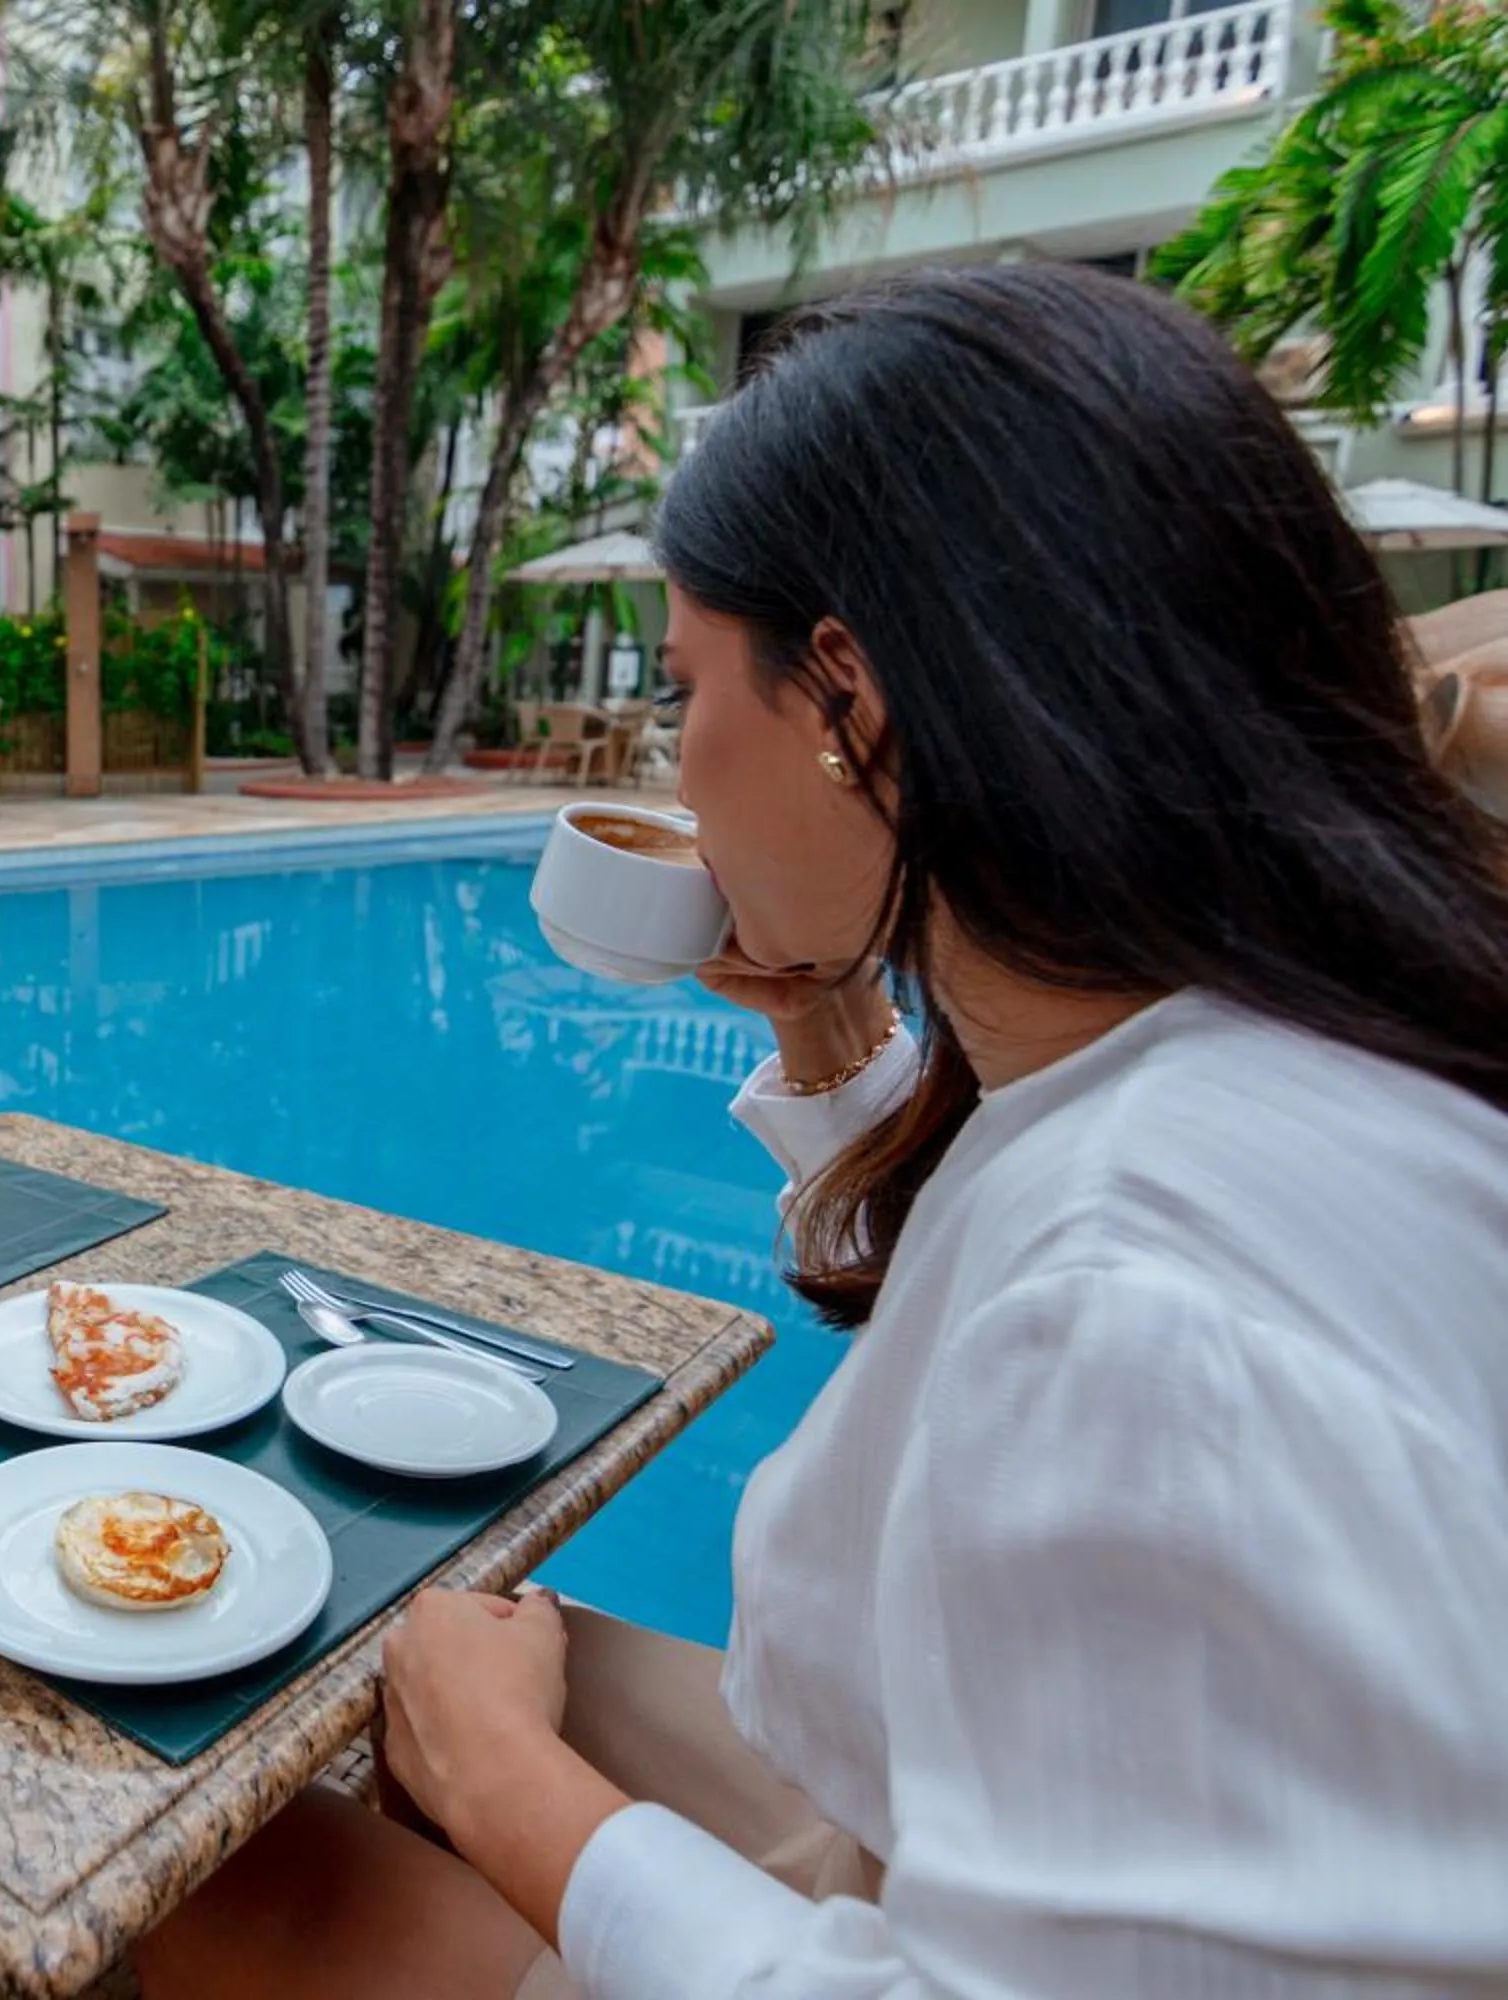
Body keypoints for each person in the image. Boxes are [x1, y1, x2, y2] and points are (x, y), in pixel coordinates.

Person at [135, 262, 1508, 1997]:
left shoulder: (1147, 1321)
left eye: (690, 690)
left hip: (910, 1923)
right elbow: (981, 1278)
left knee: (212, 1871)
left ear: (853, 710)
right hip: (925, 1818)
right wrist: (830, 1019)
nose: (677, 763)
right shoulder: (1271, 1053)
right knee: (379, 1683)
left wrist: (515, 1792)